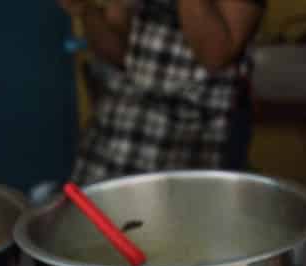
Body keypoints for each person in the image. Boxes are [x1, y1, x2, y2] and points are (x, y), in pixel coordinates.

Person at [59, 0, 263, 184]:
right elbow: (120, 54)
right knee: (86, 217)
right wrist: (85, 10)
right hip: (119, 124)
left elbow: (215, 55)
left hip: (195, 133)